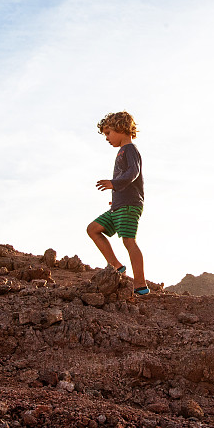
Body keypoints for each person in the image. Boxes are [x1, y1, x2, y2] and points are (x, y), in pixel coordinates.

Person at [86, 111, 149, 296]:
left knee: (129, 241)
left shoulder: (130, 149)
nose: (106, 138)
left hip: (130, 205)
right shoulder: (122, 151)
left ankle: (140, 285)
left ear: (121, 128)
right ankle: (116, 266)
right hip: (119, 205)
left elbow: (133, 173)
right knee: (93, 229)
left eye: (108, 133)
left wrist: (114, 184)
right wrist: (116, 196)